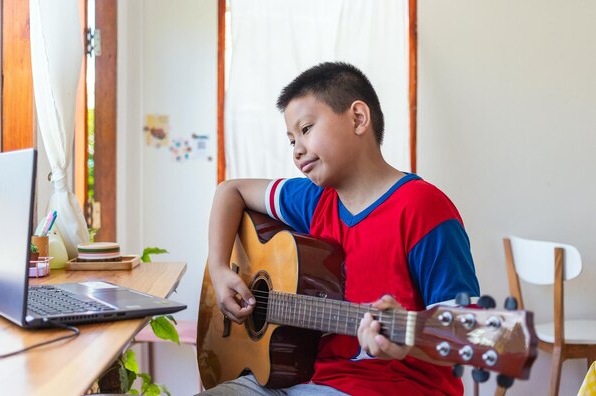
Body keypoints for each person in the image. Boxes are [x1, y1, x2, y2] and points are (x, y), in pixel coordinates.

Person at [203, 62, 480, 395]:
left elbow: (468, 334)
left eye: (306, 129)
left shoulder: (423, 208)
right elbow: (229, 191)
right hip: (301, 377)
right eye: (292, 141)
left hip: (393, 386)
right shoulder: (313, 199)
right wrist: (220, 270)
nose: (298, 151)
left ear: (358, 118)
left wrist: (404, 344)